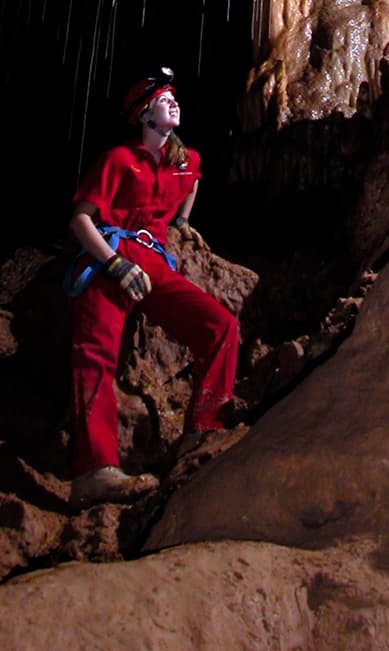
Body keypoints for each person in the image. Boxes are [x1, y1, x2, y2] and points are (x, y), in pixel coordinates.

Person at [67, 67, 240, 507]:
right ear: (145, 116)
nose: (174, 104)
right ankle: (95, 469)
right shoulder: (119, 160)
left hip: (155, 262)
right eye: (165, 101)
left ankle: (202, 430)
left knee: (220, 327)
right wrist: (113, 264)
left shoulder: (184, 161)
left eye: (174, 99)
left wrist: (182, 222)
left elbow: (192, 181)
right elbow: (81, 219)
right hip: (110, 256)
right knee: (95, 352)